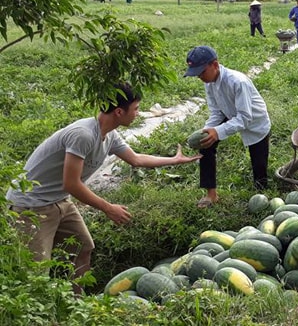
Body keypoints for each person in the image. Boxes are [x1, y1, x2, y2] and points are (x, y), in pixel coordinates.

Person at [6, 83, 201, 293]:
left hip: (59, 201)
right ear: (119, 112)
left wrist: (174, 160)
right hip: (31, 206)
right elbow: (71, 184)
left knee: (83, 247)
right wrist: (108, 208)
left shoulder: (110, 135)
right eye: (135, 109)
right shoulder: (83, 135)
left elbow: (135, 159)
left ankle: (76, 302)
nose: (137, 114)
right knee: (34, 271)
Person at [183, 46, 271, 208]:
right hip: (229, 114)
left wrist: (218, 131)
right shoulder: (209, 82)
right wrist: (208, 130)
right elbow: (216, 111)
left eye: (202, 72)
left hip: (255, 122)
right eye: (197, 74)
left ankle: (261, 196)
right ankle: (211, 194)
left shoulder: (238, 82)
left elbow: (245, 117)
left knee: (259, 167)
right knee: (206, 145)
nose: (200, 77)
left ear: (215, 65)